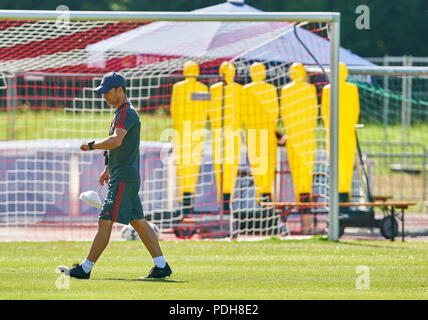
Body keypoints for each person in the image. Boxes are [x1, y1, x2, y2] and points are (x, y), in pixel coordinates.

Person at [58, 72, 172, 279]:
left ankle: (85, 269)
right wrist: (108, 169)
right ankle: (162, 266)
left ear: (121, 90)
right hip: (123, 176)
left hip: (124, 179)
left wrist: (91, 145)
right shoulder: (121, 112)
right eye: (103, 93)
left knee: (105, 220)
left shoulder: (126, 112)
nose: (104, 97)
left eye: (107, 92)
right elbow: (120, 146)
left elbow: (116, 141)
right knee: (138, 221)